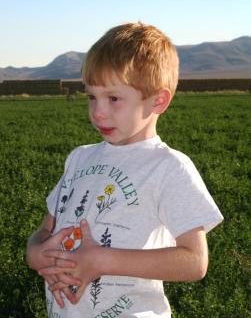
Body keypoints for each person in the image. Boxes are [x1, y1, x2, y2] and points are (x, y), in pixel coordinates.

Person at [27, 22, 223, 318]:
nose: (97, 112)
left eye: (113, 98)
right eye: (91, 96)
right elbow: (45, 229)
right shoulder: (78, 159)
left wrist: (101, 260)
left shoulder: (168, 168)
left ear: (158, 100)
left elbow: (194, 262)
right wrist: (36, 253)